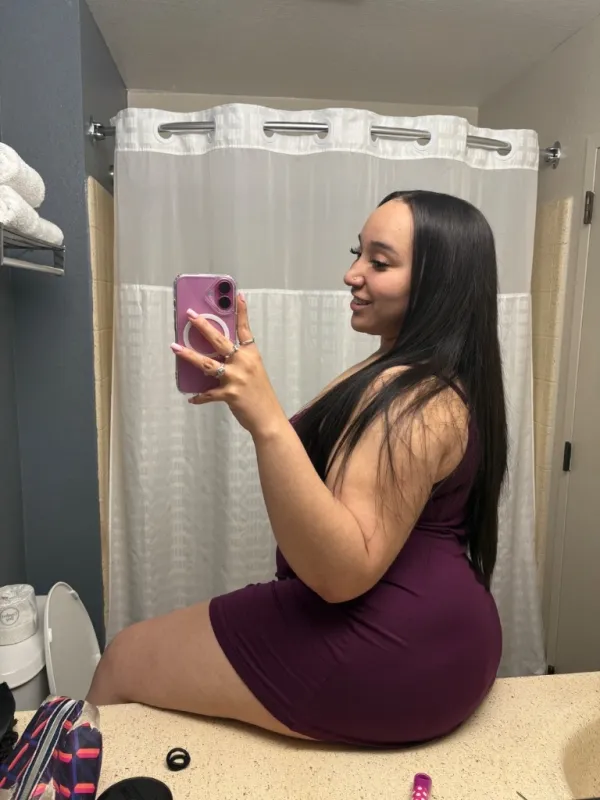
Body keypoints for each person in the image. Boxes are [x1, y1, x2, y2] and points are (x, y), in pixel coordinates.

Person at [88, 190, 506, 747]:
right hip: (450, 643)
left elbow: (340, 575)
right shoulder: (422, 374)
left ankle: (61, 777)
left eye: (379, 262)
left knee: (122, 660)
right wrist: (256, 404)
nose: (351, 274)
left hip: (388, 649)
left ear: (440, 283)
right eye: (358, 253)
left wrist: (267, 421)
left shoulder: (413, 399)